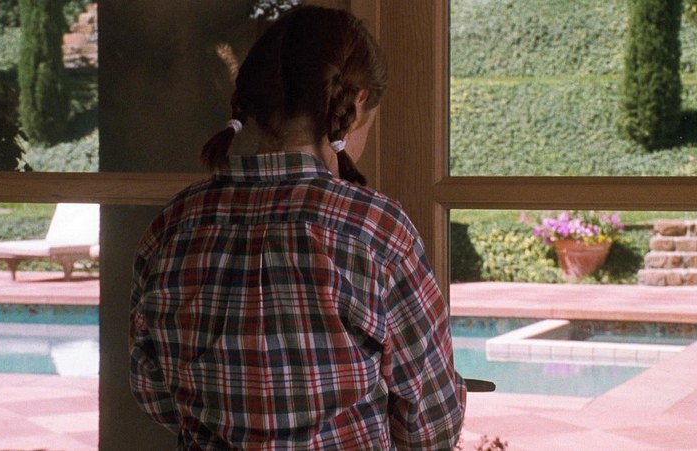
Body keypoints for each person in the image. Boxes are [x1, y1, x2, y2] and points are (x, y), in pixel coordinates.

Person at [129, 6, 467, 450]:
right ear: (357, 103)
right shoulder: (375, 231)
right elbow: (432, 423)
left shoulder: (174, 226)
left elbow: (154, 394)